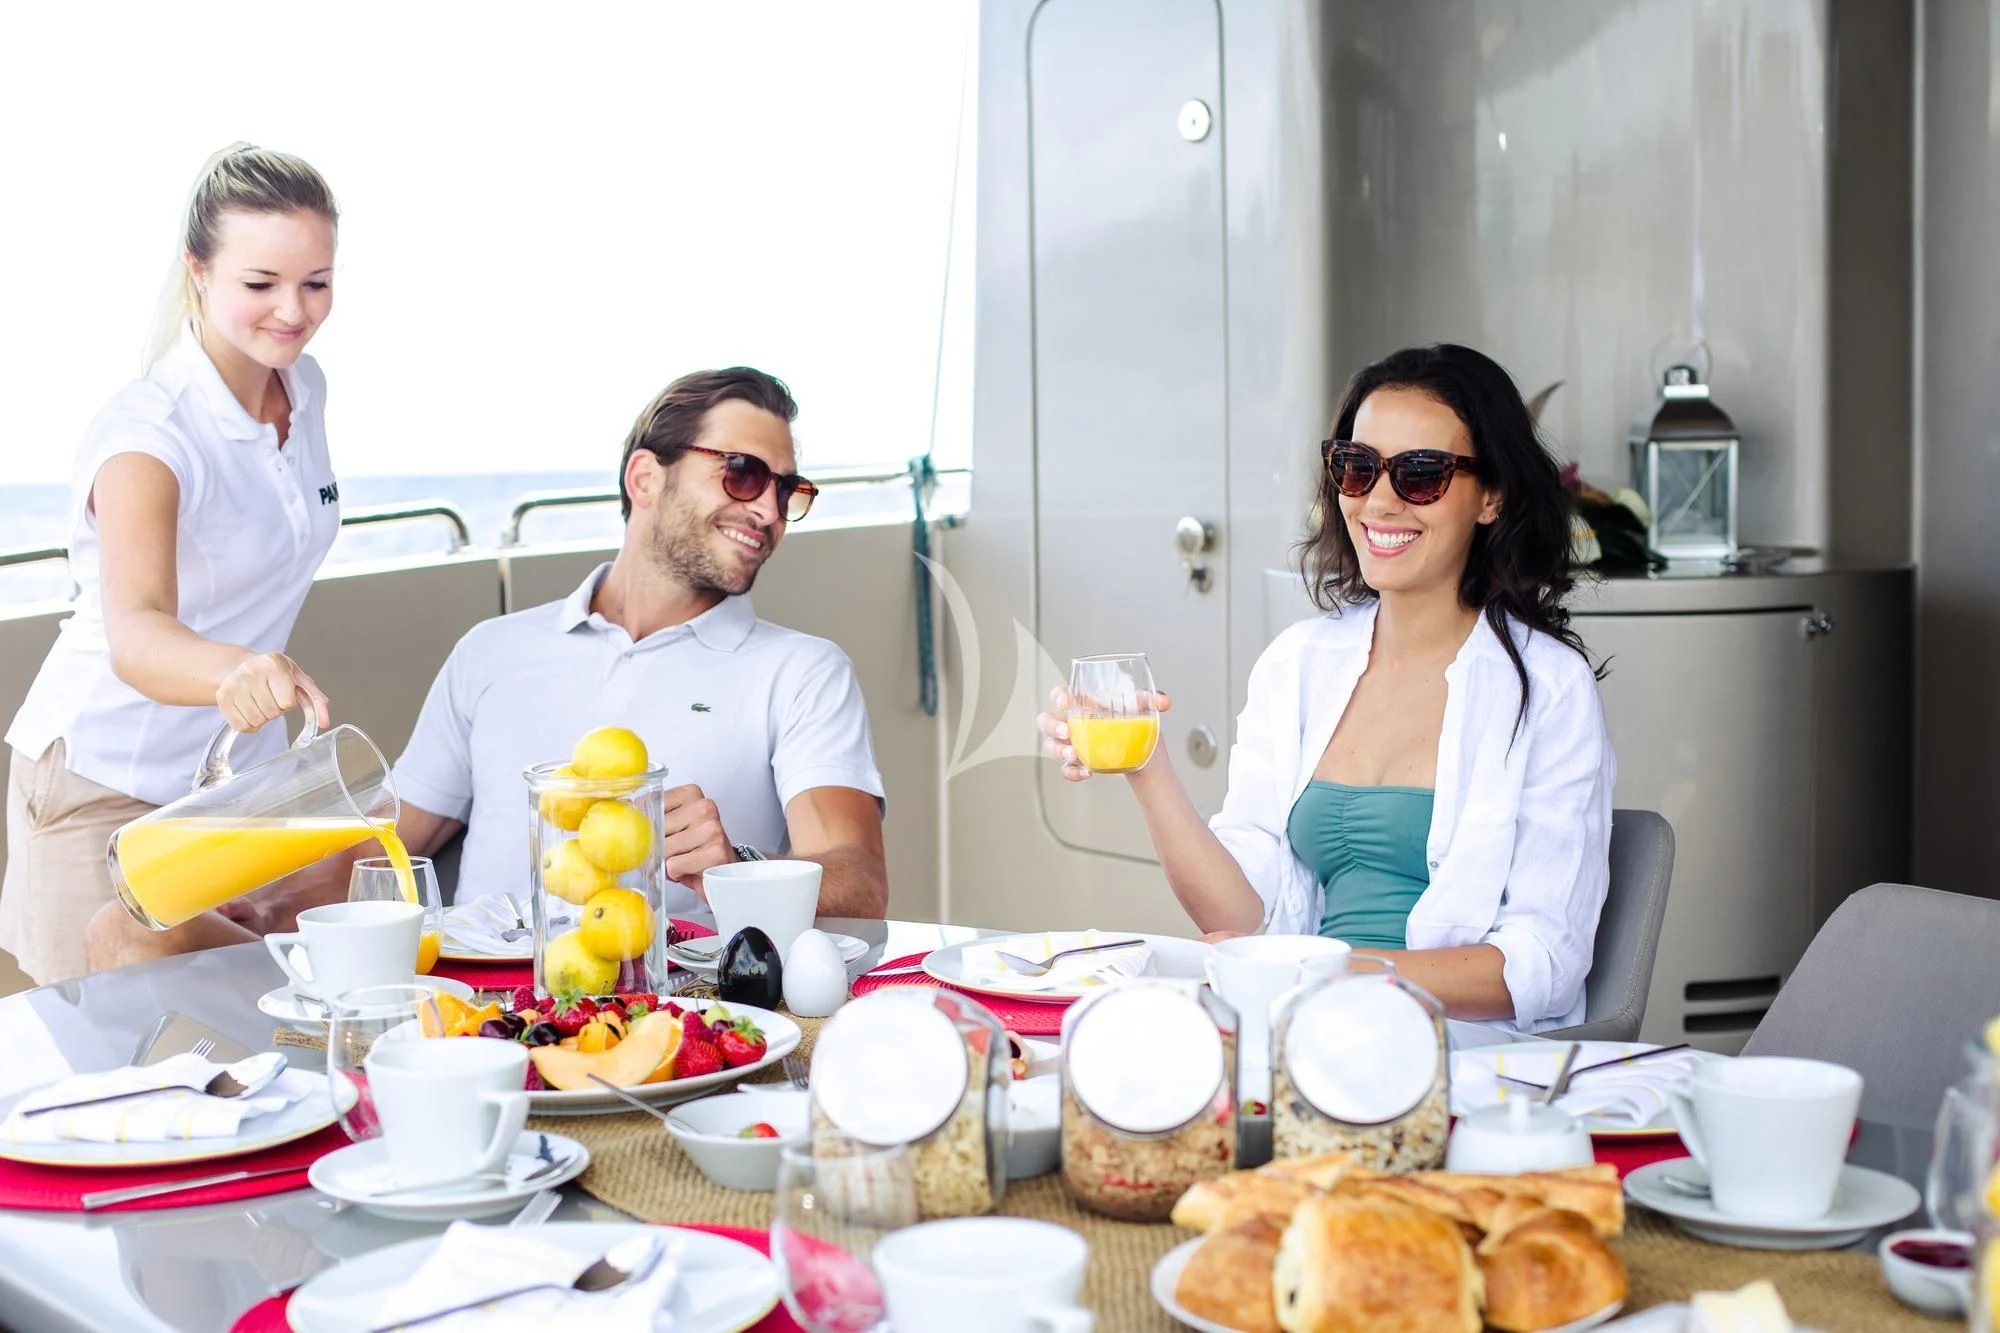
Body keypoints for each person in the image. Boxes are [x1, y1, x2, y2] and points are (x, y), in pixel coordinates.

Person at [86, 366, 888, 970]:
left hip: (667, 1005)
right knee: (125, 927)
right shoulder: (495, 651)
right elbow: (393, 844)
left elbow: (858, 879)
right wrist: (265, 902)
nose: (769, 511)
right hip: (458, 1004)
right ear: (646, 477)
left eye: (789, 491)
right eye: (745, 475)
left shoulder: (803, 671)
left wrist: (738, 871)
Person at [1040, 344, 1615, 1031]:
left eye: (1421, 475)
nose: (1378, 500)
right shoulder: (1299, 663)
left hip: (1464, 1057)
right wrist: (1146, 766)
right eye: (1357, 466)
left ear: (1492, 496)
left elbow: (1543, 962)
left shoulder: (1550, 688)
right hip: (1304, 1035)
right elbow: (1238, 914)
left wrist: (1326, 968)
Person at [2, 143, 342, 984]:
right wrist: (239, 671)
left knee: (263, 1042)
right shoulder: (145, 436)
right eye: (260, 285)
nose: (292, 312)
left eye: (316, 282)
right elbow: (138, 628)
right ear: (198, 270)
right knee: (104, 1077)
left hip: (223, 790)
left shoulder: (304, 388)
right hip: (103, 783)